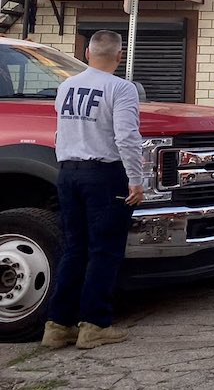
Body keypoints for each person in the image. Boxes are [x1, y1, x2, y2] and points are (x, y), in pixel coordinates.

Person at [42, 30, 143, 350]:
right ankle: (94, 324)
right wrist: (136, 179)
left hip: (68, 172)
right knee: (105, 250)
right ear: (119, 56)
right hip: (103, 174)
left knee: (74, 249)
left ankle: (58, 325)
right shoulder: (121, 89)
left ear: (87, 53)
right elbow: (127, 137)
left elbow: (61, 130)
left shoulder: (66, 86)